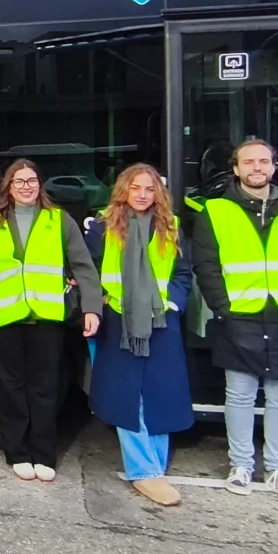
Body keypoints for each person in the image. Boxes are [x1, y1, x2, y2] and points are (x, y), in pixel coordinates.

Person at [192, 135, 278, 501]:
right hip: (240, 316)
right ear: (235, 170)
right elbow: (207, 267)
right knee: (239, 396)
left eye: (263, 161)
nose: (256, 168)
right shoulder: (215, 212)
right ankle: (241, 466)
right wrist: (223, 308)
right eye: (248, 162)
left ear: (274, 167)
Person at [0, 152, 97, 482]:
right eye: (19, 182)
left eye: (31, 181)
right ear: (9, 187)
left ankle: (44, 455)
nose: (26, 187)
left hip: (47, 318)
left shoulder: (59, 221)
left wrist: (91, 307)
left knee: (45, 389)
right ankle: (17, 453)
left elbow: (83, 266)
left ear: (40, 185)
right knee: (10, 389)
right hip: (7, 319)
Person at [84, 159, 195, 507]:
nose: (143, 195)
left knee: (159, 395)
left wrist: (173, 304)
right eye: (136, 188)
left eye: (150, 189)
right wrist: (99, 304)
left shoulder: (171, 227)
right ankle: (143, 471)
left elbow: (183, 273)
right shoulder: (102, 227)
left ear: (158, 193)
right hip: (119, 321)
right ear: (124, 190)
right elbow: (87, 271)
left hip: (161, 321)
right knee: (129, 398)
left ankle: (154, 467)